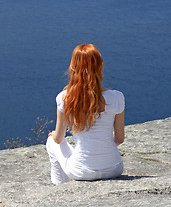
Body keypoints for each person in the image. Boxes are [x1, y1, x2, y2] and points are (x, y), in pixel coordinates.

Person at [46, 44, 125, 185]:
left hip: (80, 171)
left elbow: (59, 139)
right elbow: (119, 139)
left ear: (73, 68)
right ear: (99, 66)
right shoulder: (116, 97)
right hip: (114, 168)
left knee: (51, 141)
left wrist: (54, 136)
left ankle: (60, 187)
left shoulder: (64, 98)